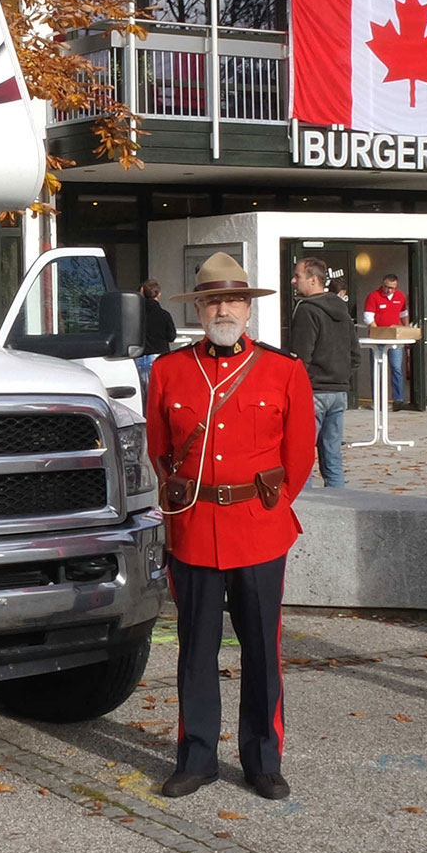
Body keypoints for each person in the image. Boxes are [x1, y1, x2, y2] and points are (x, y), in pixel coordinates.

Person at [147, 252, 315, 800]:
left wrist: (267, 507)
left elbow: (299, 453)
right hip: (195, 527)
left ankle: (263, 759)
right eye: (212, 300)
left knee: (261, 651)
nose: (223, 309)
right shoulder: (170, 370)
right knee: (195, 649)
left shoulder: (283, 369)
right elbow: (159, 449)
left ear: (249, 308)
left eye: (233, 300)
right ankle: (197, 758)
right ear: (199, 308)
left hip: (258, 527)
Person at [287, 257, 358, 488]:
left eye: (298, 276)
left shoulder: (307, 311)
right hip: (338, 392)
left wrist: (296, 386)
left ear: (314, 280)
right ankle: (338, 506)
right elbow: (355, 354)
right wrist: (342, 376)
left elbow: (300, 357)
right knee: (332, 454)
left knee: (303, 453)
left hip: (314, 391)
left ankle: (306, 510)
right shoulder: (343, 311)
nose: (293, 281)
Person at [362, 274, 410, 407]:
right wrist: (378, 332)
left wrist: (406, 329)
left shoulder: (400, 296)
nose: (390, 291)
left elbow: (403, 314)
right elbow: (368, 317)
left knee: (396, 368)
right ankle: (378, 401)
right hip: (378, 339)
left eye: (393, 288)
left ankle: (398, 400)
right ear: (382, 285)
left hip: (395, 337)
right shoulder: (374, 296)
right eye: (387, 287)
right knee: (378, 369)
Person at [138, 279, 177, 390]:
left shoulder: (135, 315)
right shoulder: (164, 315)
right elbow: (171, 337)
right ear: (159, 294)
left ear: (142, 293)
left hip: (139, 357)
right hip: (159, 357)